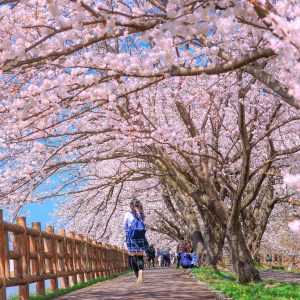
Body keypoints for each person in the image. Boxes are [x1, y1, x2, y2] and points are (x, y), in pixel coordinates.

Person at [123, 199, 149, 284]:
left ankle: (137, 275)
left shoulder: (128, 214)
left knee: (133, 256)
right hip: (140, 236)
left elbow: (124, 225)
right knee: (140, 256)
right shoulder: (141, 214)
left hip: (131, 236)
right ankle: (141, 269)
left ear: (131, 206)